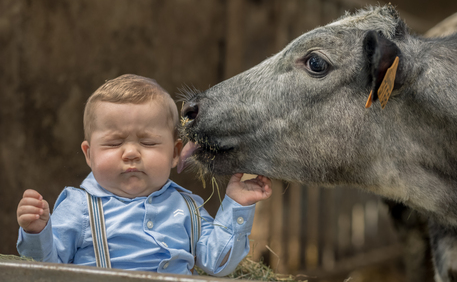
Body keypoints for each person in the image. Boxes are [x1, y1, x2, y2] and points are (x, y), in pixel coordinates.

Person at [16, 74, 272, 276]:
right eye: (114, 143)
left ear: (175, 153)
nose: (130, 153)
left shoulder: (188, 209)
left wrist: (236, 205)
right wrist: (37, 232)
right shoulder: (79, 207)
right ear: (89, 154)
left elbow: (219, 263)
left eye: (148, 143)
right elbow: (45, 268)